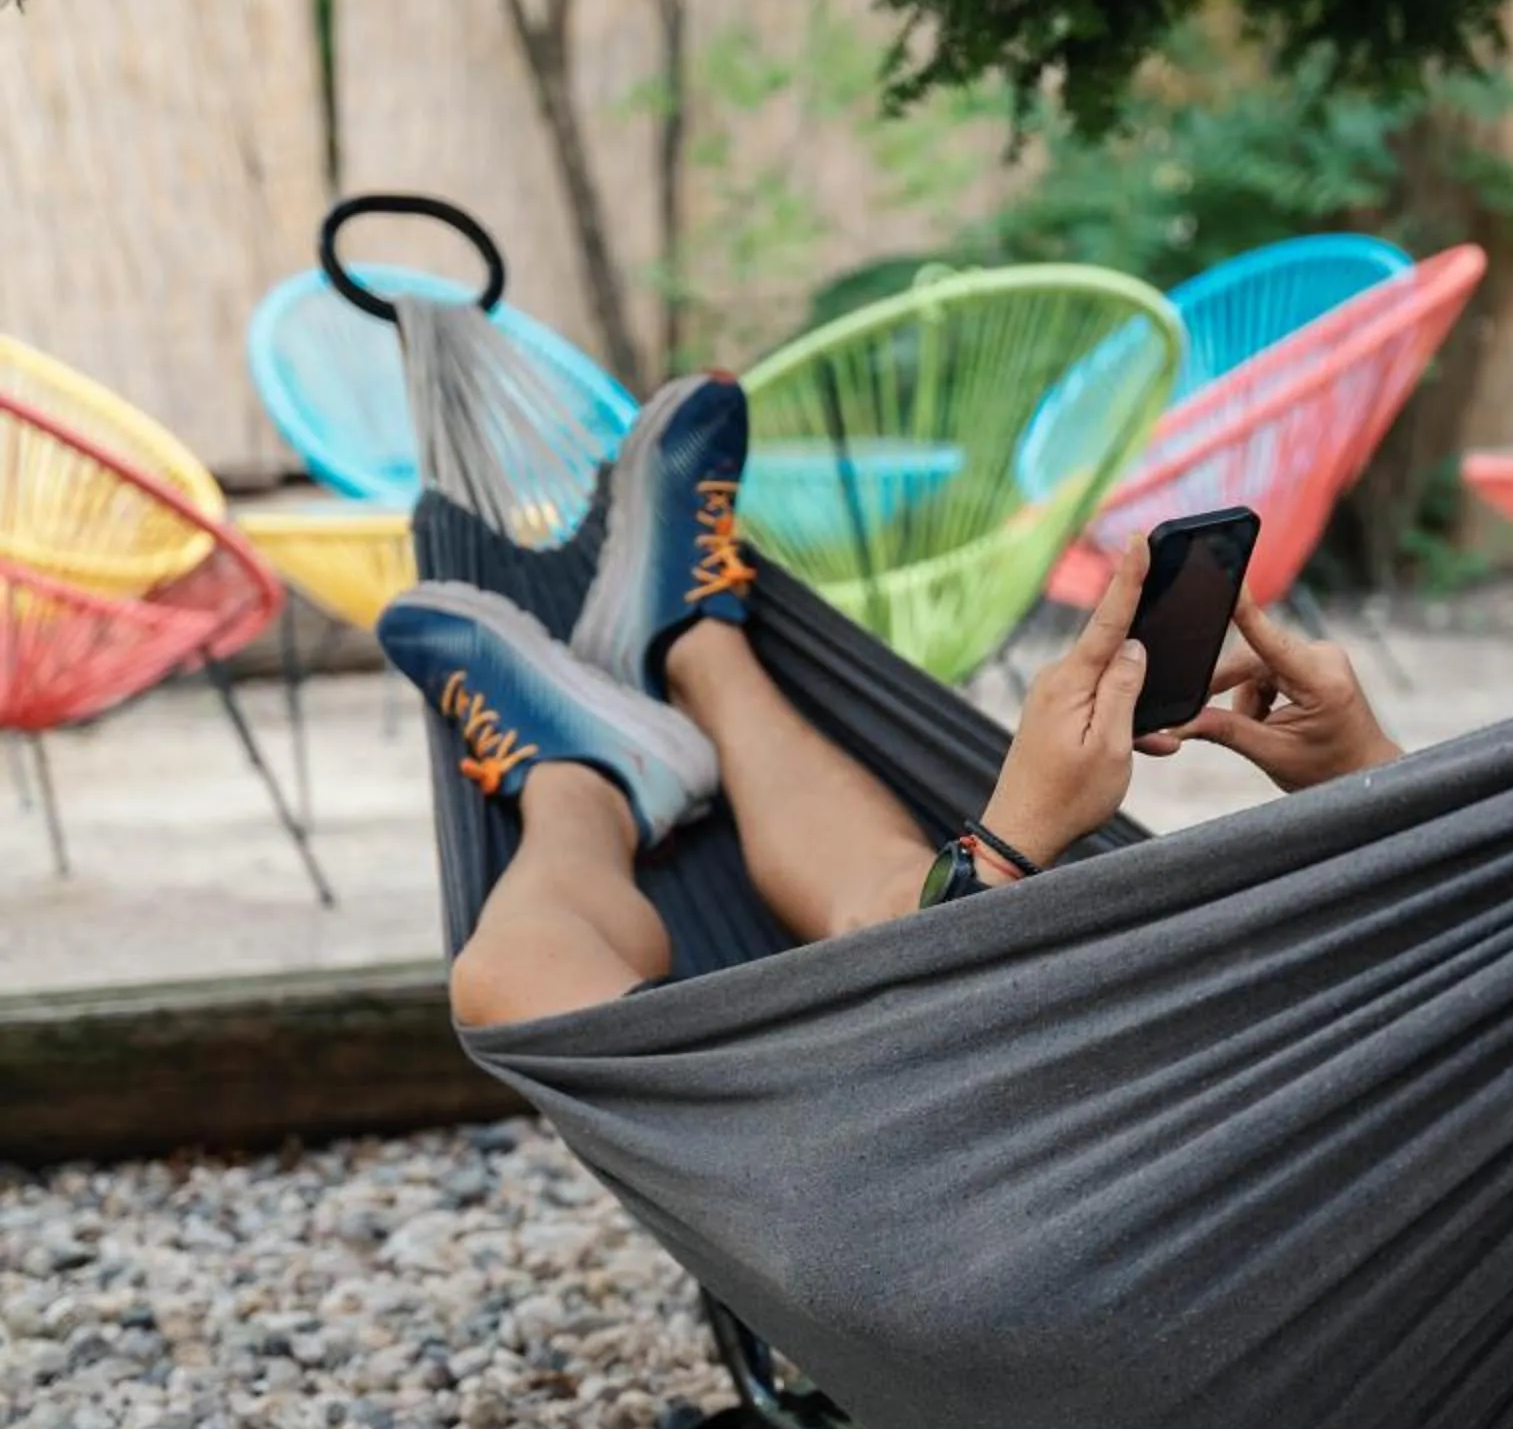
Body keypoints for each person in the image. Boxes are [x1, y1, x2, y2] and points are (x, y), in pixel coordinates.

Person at [376, 373, 1403, 1032]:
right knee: (883, 908)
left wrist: (1016, 838)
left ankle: (580, 783)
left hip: (989, 1179)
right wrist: (1367, 778)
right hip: (1164, 1064)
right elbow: (1477, 975)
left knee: (507, 978)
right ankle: (692, 651)